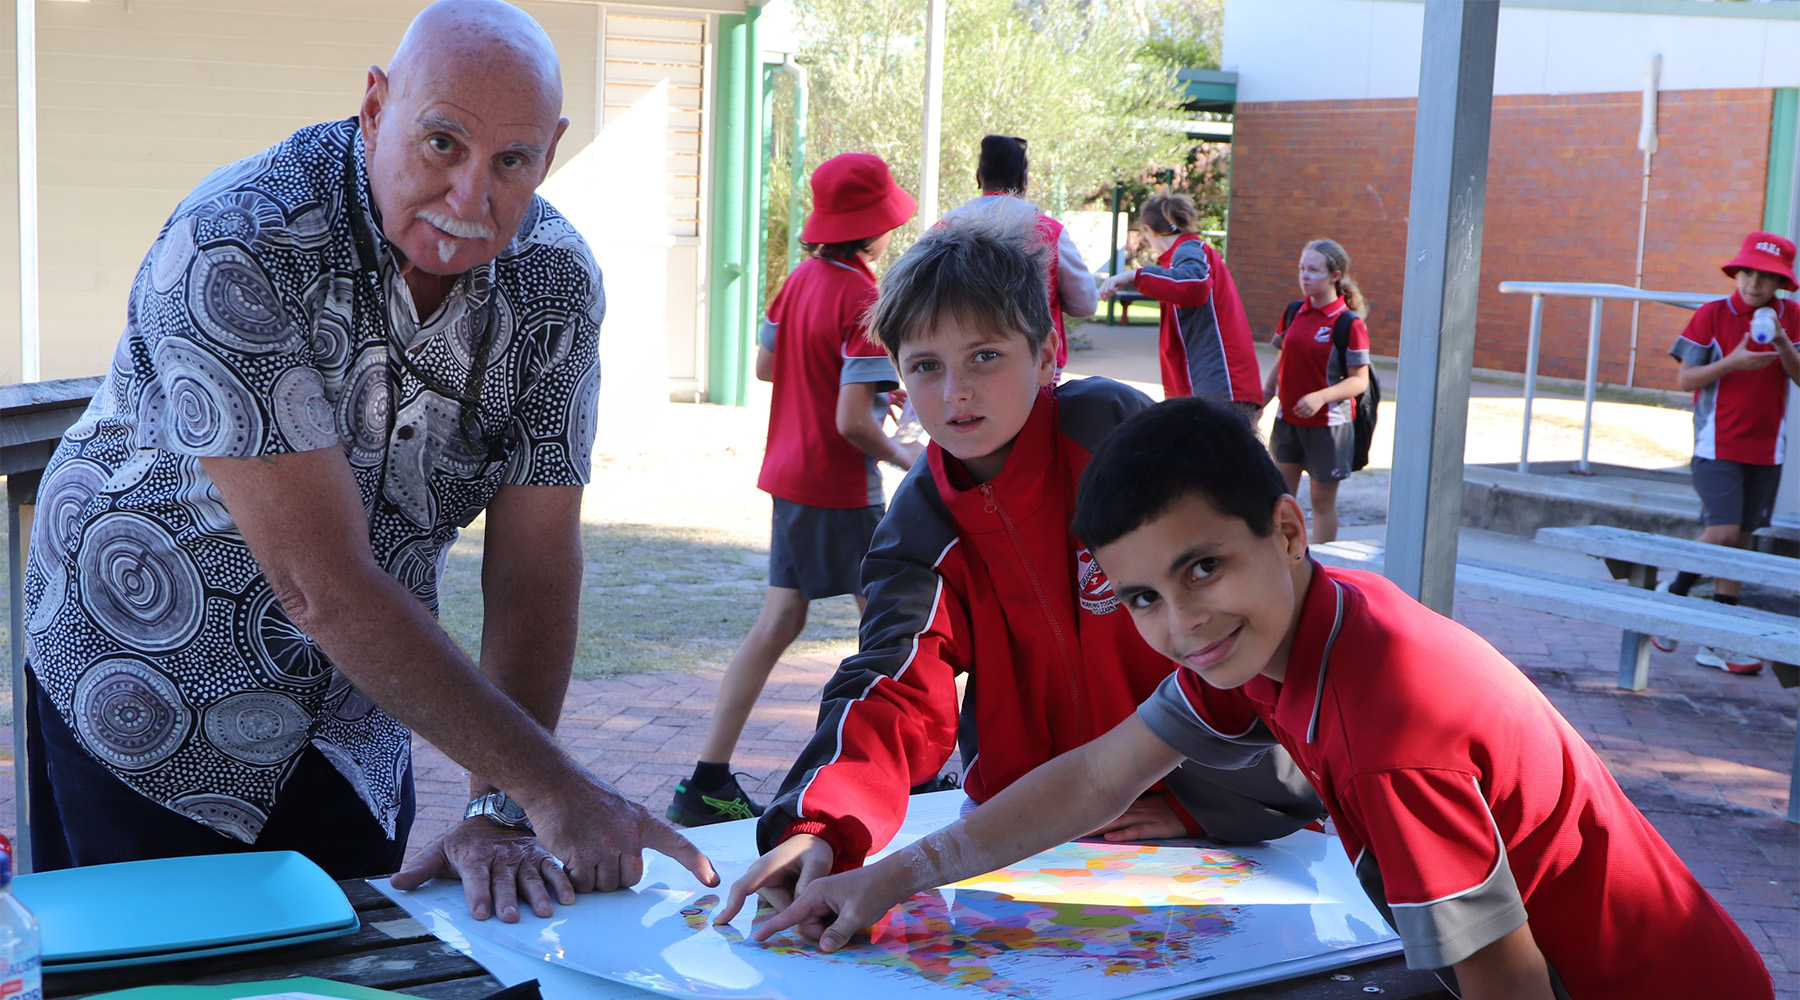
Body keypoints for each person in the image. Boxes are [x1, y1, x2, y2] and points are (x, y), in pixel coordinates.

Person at [21, 0, 716, 923]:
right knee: (167, 970)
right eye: (442, 145)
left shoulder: (555, 283)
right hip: (145, 682)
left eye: (512, 161)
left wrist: (497, 805)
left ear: (549, 151)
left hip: (355, 713)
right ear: (376, 107)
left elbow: (536, 562)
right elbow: (321, 584)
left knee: (360, 959)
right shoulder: (239, 239)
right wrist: (556, 787)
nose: (472, 199)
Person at [756, 396, 1774, 1000]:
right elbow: (1100, 776)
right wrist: (891, 876)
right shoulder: (1289, 633)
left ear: (1289, 528)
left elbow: (1509, 983)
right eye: (1143, 596)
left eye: (1205, 568)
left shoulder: (1389, 726)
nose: (1180, 625)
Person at [715, 204, 1322, 921]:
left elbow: (1260, 592)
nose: (956, 391)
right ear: (900, 381)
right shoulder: (919, 523)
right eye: (926, 367)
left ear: (1044, 356)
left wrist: (1194, 807)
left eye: (985, 356)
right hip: (1031, 830)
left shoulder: (1119, 438)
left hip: (1227, 809)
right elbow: (895, 685)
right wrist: (820, 827)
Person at [667, 153, 919, 827]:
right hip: (839, 486)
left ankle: (706, 780)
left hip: (790, 475)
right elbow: (851, 423)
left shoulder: (801, 279)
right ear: (873, 225)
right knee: (893, 625)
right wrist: (906, 455)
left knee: (783, 621)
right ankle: (896, 770)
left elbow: (766, 365)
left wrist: (850, 378)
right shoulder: (864, 297)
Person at [1656, 231, 1800, 674]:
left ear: (1781, 283)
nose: (1754, 283)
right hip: (1715, 446)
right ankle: (1671, 596)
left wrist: (1780, 343)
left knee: (1740, 542)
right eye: (1748, 272)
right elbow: (1686, 380)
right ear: (1736, 272)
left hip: (1768, 448)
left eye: (1766, 276)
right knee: (1722, 532)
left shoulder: (1792, 317)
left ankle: (1719, 639)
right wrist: (1733, 362)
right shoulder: (1712, 314)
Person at [940, 134, 1098, 372]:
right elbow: (1085, 303)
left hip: (963, 364)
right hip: (1034, 368)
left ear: (979, 177)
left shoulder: (945, 229)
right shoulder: (1049, 232)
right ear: (1024, 180)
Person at [1097, 193, 1260, 414]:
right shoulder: (1182, 254)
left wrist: (1134, 276)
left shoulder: (1189, 249)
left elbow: (1195, 284)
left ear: (1149, 229)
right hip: (1215, 389)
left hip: (1221, 388)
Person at [1260, 239, 1371, 544]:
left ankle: (1326, 563)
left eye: (1313, 270)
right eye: (1302, 269)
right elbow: (1283, 360)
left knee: (1321, 503)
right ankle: (1284, 560)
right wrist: (1265, 395)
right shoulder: (1294, 311)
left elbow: (1358, 381)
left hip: (1328, 426)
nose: (1305, 276)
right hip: (1288, 421)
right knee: (1280, 500)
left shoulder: (1348, 322)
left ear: (1335, 275)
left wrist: (1322, 396)